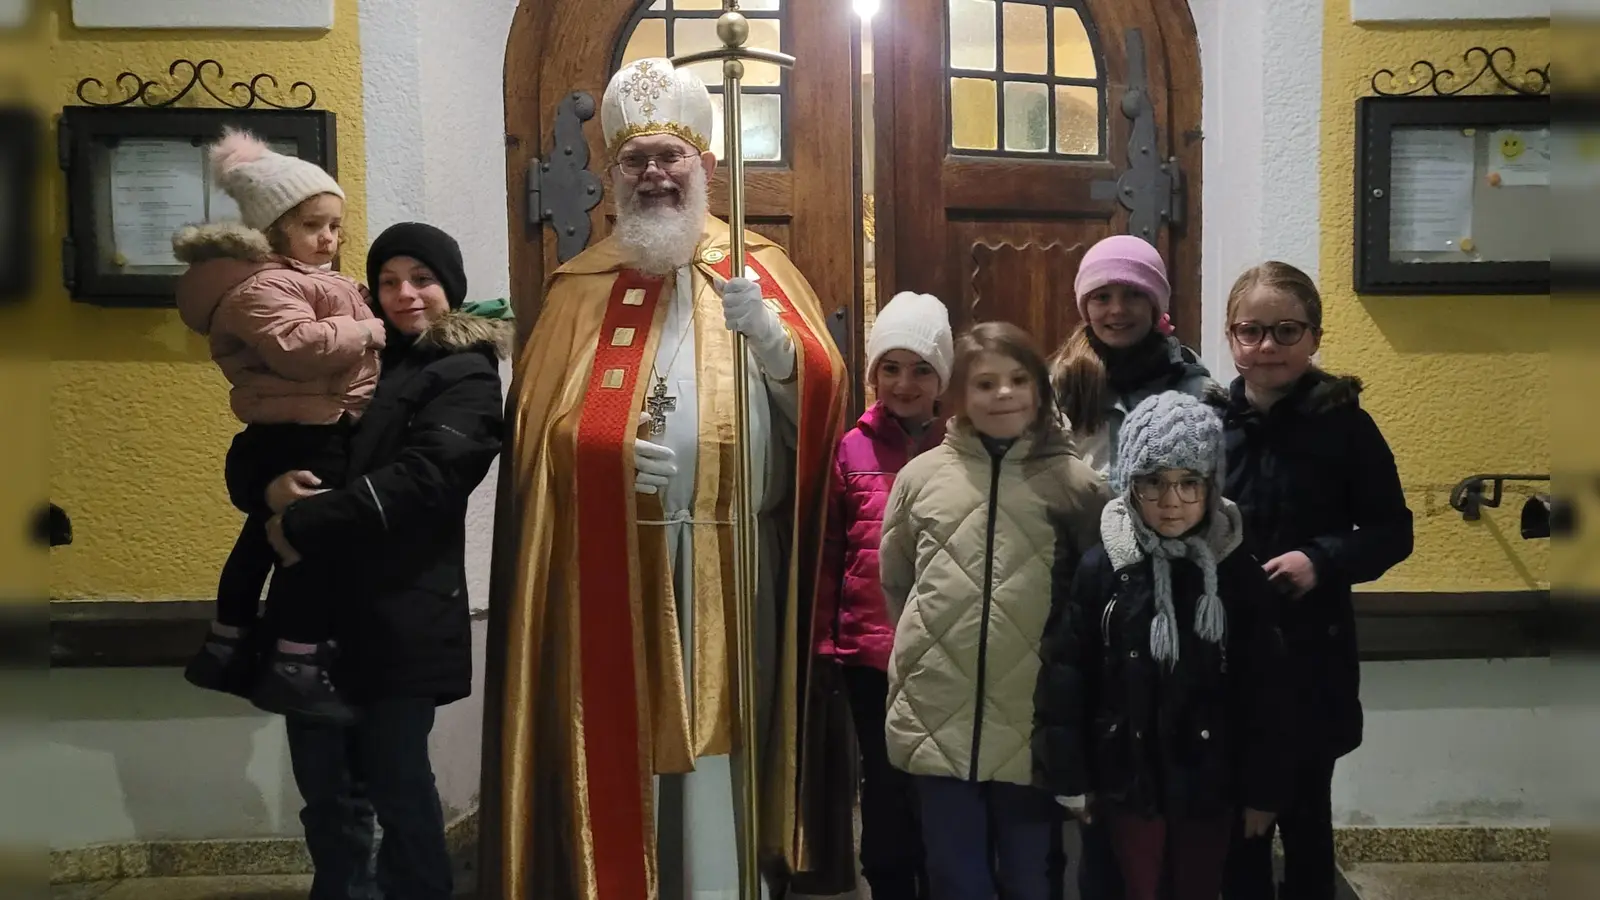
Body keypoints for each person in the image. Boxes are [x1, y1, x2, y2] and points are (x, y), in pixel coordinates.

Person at [479, 58, 852, 900]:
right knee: (634, 742)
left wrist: (776, 347)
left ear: (705, 166)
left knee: (731, 744)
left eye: (669, 156)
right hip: (616, 561)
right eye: (635, 159)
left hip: (739, 558)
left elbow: (825, 411)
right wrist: (604, 462)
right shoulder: (578, 289)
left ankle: (727, 884)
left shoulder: (758, 267)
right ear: (613, 176)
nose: (653, 174)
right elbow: (540, 440)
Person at [246, 222, 509, 900]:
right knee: (326, 791)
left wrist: (301, 521)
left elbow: (430, 477)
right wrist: (267, 489)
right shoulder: (343, 355)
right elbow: (259, 443)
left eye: (422, 279)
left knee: (398, 785)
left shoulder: (465, 372)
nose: (405, 294)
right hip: (312, 612)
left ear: (449, 288)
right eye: (389, 281)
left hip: (402, 612)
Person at [879, 322, 1109, 900]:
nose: (1002, 394)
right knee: (955, 876)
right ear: (959, 394)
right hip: (939, 713)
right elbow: (898, 580)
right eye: (984, 383)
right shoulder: (921, 477)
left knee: (1031, 875)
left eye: (1017, 380)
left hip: (1035, 720)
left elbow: (1095, 599)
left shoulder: (1078, 486)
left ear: (1039, 389)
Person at [1033, 392, 1291, 900]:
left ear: (1212, 485)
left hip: (1211, 781)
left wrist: (1264, 791)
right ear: (1130, 484)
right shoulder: (1104, 566)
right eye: (1153, 482)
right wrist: (1071, 776)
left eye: (1189, 482)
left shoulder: (1235, 571)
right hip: (1125, 777)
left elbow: (1266, 691)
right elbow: (1067, 677)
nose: (1172, 500)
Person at [1218, 261, 1413, 900]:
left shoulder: (1347, 427)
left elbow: (1392, 531)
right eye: (1251, 330)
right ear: (1230, 336)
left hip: (1310, 657)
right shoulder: (1208, 427)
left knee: (1305, 827)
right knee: (1235, 834)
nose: (1267, 345)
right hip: (1226, 660)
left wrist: (1321, 560)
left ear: (1314, 338)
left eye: (1286, 330)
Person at [175, 127, 383, 721]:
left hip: (319, 421)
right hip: (305, 430)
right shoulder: (262, 287)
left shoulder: (317, 280)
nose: (329, 238)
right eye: (313, 225)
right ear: (273, 229)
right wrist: (367, 331)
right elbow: (298, 348)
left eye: (336, 226)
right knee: (308, 545)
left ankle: (228, 644)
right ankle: (294, 662)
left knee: (266, 538)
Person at [814, 290, 952, 900]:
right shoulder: (851, 449)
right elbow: (829, 550)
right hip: (871, 657)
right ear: (873, 374)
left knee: (938, 789)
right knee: (886, 782)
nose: (904, 383)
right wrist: (824, 642)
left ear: (941, 379)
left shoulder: (960, 448)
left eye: (921, 370)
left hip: (945, 652)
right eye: (891, 368)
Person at [1051, 235, 1223, 479]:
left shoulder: (1191, 386)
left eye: (1133, 295)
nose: (1117, 309)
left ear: (1155, 306)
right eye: (1102, 297)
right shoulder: (1062, 383)